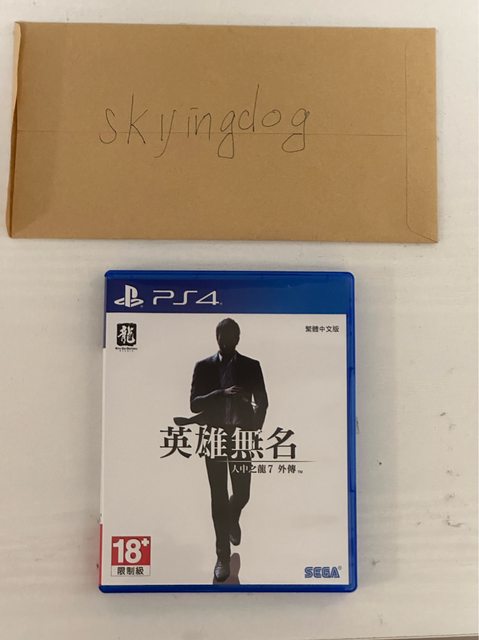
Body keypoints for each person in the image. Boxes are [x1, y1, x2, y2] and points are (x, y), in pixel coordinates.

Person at [180, 318, 268, 582]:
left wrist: (254, 429)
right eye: (221, 336)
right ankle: (222, 555)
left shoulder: (252, 366)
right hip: (214, 438)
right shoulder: (204, 367)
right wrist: (221, 393)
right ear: (215, 337)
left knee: (242, 493)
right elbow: (194, 404)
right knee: (218, 496)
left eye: (230, 336)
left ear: (238, 338)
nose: (225, 340)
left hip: (242, 437)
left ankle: (232, 517)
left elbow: (263, 402)